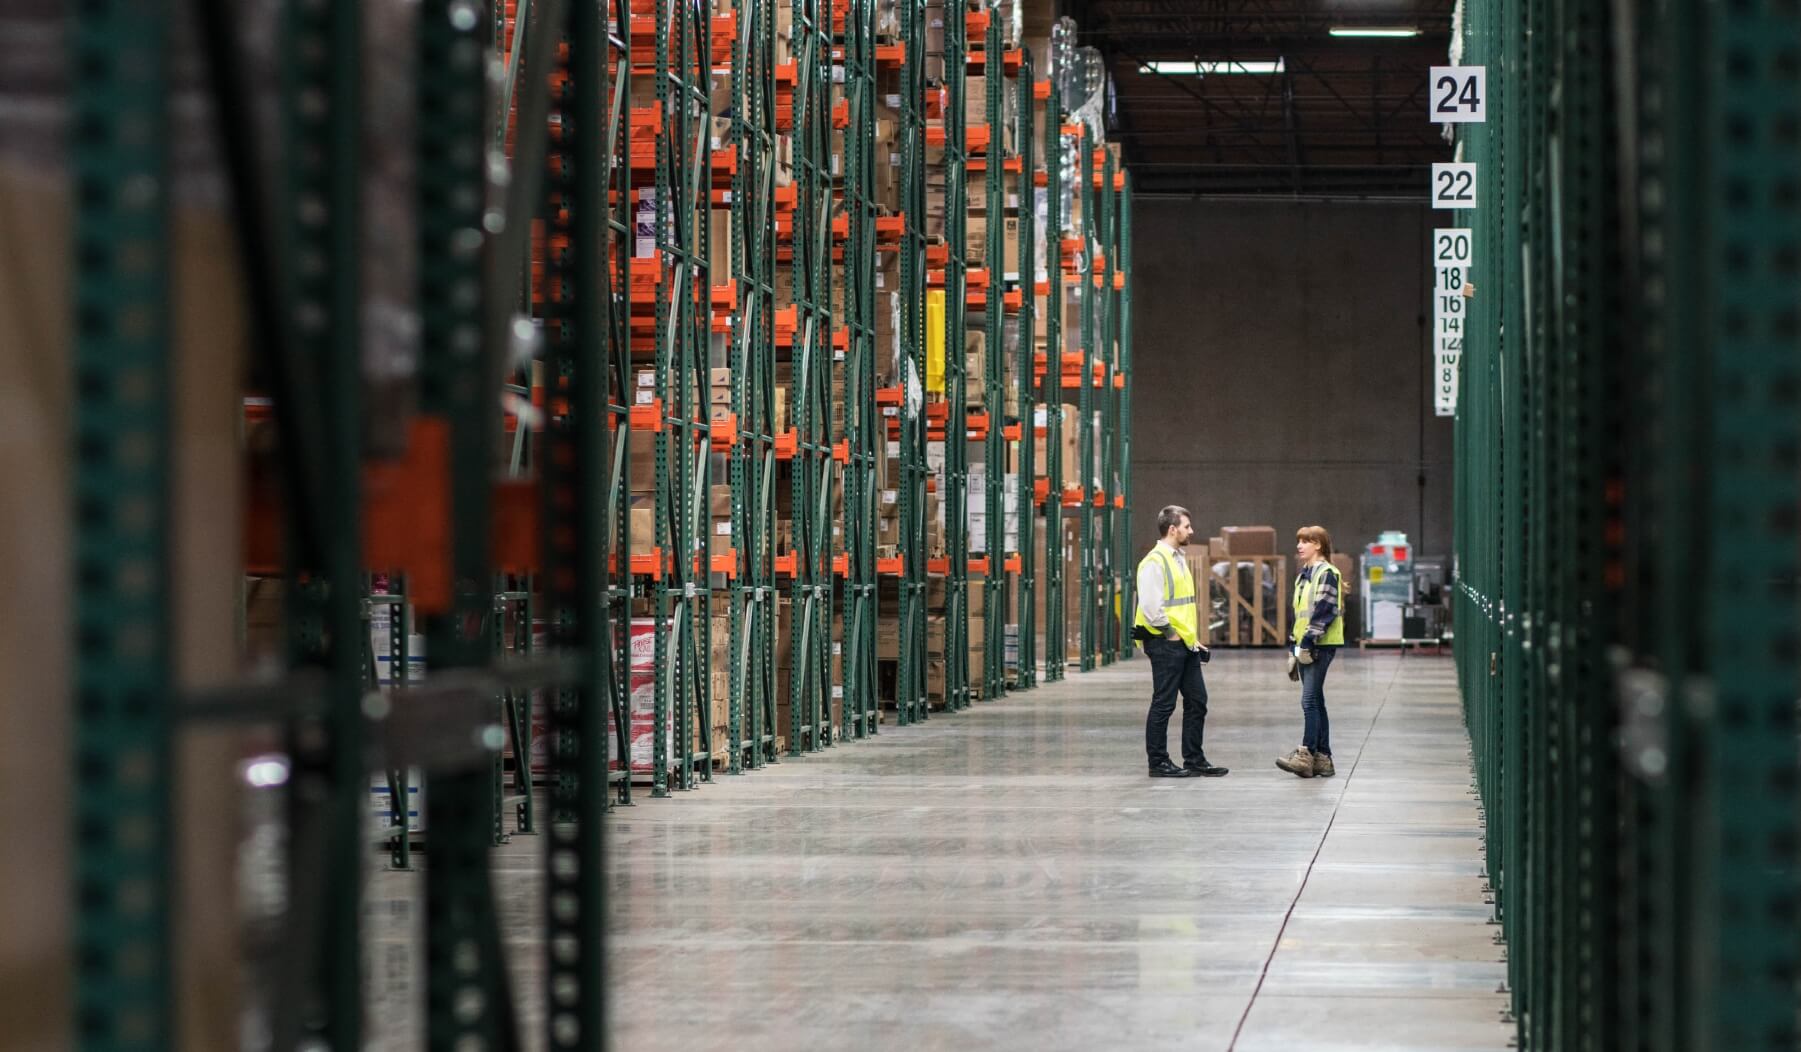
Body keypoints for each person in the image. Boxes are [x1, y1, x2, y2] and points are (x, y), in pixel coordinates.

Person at [1132, 506, 1228, 778]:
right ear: (1172, 529)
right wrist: (1171, 634)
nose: (1191, 531)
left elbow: (1181, 606)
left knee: (1198, 700)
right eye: (1187, 526)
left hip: (1183, 643)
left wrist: (1191, 638)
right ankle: (1158, 762)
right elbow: (1151, 606)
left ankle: (1194, 759)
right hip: (1164, 642)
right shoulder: (1154, 561)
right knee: (1164, 703)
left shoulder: (1177, 558)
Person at [1277, 526, 1345, 778]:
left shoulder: (1327, 573)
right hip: (1306, 644)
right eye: (1299, 541)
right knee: (1316, 700)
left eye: (1305, 541)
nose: (1299, 546)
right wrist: (1293, 647)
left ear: (1318, 545)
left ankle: (1305, 754)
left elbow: (1324, 612)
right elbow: (1300, 616)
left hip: (1319, 645)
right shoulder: (1304, 575)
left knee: (1309, 701)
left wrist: (1306, 643)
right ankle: (1322, 758)